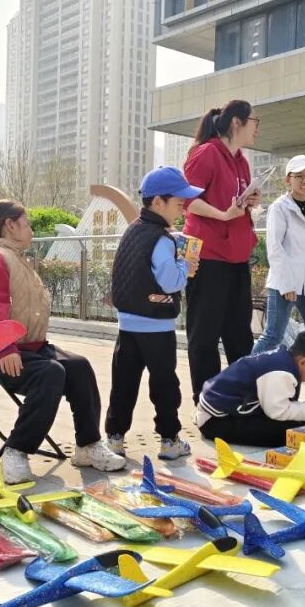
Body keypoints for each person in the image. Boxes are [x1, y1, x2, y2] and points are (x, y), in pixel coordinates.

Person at [0, 200, 125, 483]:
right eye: (26, 223)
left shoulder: (17, 258)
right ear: (9, 225)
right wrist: (5, 349)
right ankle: (15, 452)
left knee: (79, 366)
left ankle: (88, 446)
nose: (30, 229)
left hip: (31, 349)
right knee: (50, 373)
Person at [105, 167, 202, 461]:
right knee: (164, 386)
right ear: (158, 202)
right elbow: (170, 282)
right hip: (157, 328)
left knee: (123, 385)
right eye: (179, 203)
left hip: (127, 326)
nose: (183, 208)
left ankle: (114, 439)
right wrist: (186, 266)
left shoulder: (132, 231)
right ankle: (169, 441)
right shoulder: (162, 239)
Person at [182, 99, 262, 405]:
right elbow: (188, 200)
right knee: (204, 333)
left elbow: (234, 201)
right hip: (208, 256)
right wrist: (223, 214)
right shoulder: (206, 153)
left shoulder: (241, 160)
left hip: (237, 257)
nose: (257, 128)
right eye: (255, 121)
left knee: (239, 333)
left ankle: (241, 396)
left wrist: (249, 201)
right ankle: (206, 400)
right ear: (237, 122)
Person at [195, 331, 305, 448]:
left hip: (221, 412)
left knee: (289, 423)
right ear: (304, 362)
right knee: (283, 433)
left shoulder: (282, 359)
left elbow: (277, 401)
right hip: (216, 421)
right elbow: (277, 411)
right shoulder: (281, 373)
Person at [251, 155, 305, 355]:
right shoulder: (279, 207)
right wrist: (286, 283)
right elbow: (274, 246)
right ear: (288, 180)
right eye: (299, 176)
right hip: (285, 282)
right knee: (273, 335)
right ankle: (245, 371)